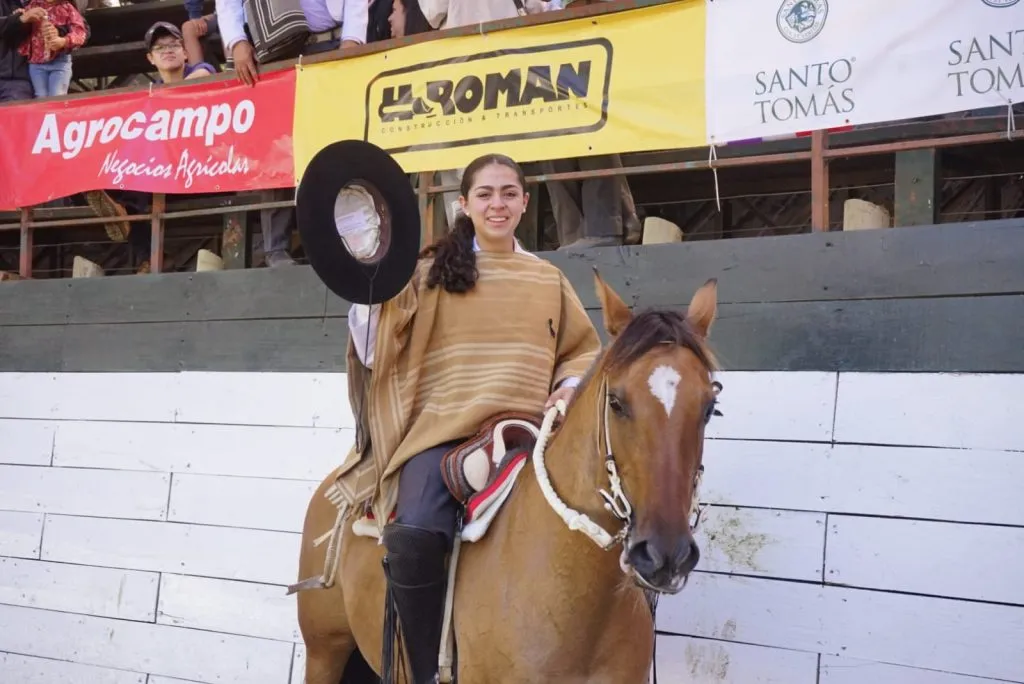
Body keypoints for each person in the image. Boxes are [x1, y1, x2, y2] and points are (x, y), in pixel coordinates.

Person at [346, 153, 602, 683]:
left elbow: (582, 351)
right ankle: (422, 672)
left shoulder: (547, 278)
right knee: (414, 534)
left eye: (509, 192)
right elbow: (375, 352)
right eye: (485, 194)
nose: (498, 204)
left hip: (529, 438)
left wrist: (567, 388)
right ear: (463, 204)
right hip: (442, 436)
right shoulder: (426, 273)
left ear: (525, 203)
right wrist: (367, 293)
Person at [14, 0, 85, 98]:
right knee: (41, 96)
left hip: (59, 61)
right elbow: (22, 20)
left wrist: (64, 41)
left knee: (57, 95)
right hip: (36, 63)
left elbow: (80, 32)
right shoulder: (33, 5)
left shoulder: (67, 7)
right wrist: (20, 16)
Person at [143, 21, 215, 83]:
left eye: (173, 45)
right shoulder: (154, 91)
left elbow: (205, 71)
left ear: (184, 52)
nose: (168, 51)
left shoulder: (200, 70)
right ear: (151, 58)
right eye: (160, 48)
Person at [0, 0, 35, 102]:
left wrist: (59, 31)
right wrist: (19, 19)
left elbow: (80, 28)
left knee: (15, 111)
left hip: (19, 80)